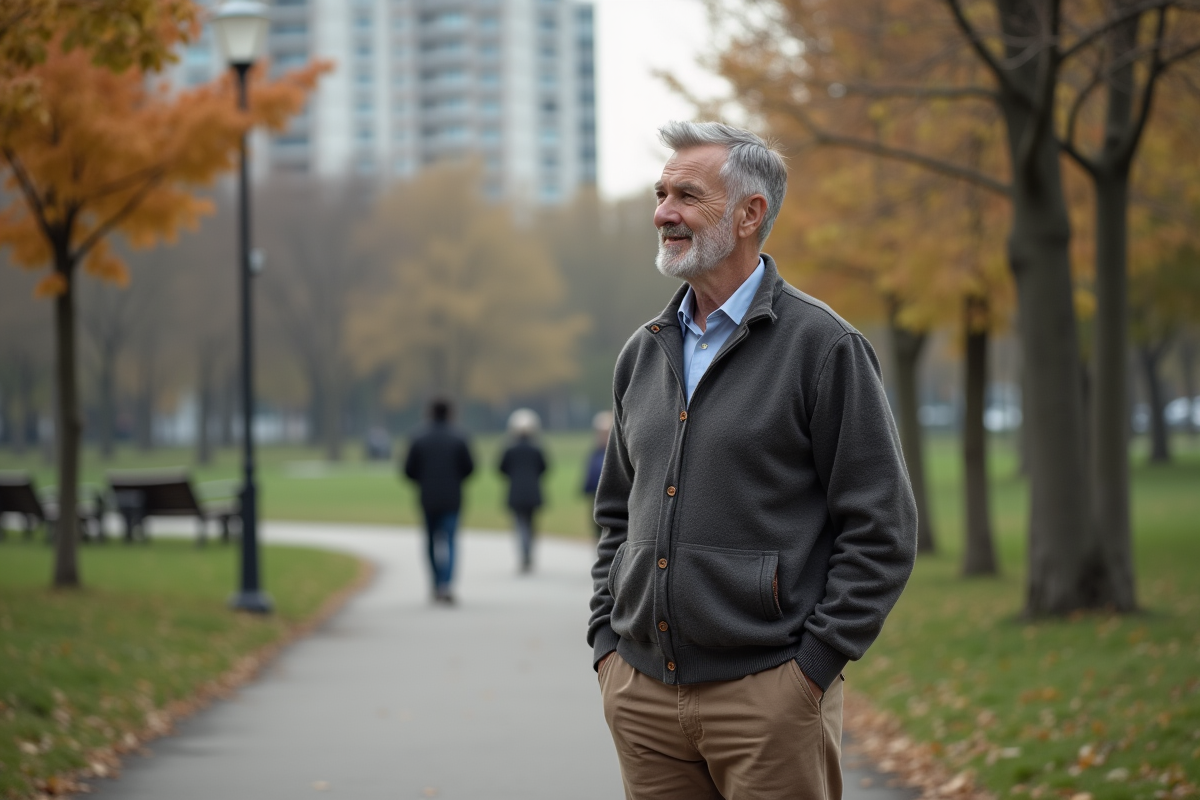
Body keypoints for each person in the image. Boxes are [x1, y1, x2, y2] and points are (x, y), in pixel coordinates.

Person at [588, 121, 918, 800]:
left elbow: (881, 528)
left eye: (687, 195)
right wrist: (606, 649)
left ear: (749, 214)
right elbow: (616, 514)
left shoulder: (824, 348)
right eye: (660, 194)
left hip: (769, 698)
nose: (663, 213)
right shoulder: (642, 352)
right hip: (641, 696)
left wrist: (811, 669)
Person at [403, 397, 474, 604]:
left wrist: (423, 481)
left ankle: (435, 582)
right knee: (450, 541)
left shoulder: (418, 438)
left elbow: (408, 470)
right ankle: (446, 584)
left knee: (431, 542)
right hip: (452, 497)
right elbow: (469, 468)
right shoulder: (459, 437)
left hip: (428, 497)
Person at [498, 408, 547, 573]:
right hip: (533, 492)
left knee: (519, 524)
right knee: (531, 524)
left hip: (516, 493)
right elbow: (544, 467)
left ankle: (524, 553)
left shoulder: (509, 449)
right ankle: (528, 552)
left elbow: (501, 468)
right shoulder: (536, 449)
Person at [582, 410, 612, 539]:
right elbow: (590, 473)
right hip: (595, 494)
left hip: (611, 495)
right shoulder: (595, 453)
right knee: (596, 526)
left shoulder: (614, 454)